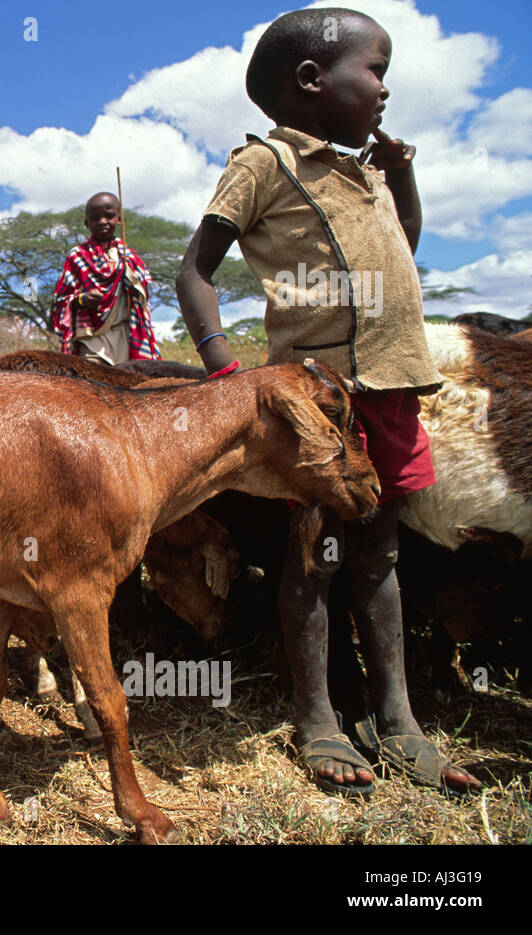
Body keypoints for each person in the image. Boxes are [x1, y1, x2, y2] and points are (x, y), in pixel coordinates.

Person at [175, 8, 479, 796]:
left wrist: (402, 173)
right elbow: (194, 271)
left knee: (378, 557)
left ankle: (397, 720)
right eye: (375, 70)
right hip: (321, 399)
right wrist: (223, 372)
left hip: (391, 389)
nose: (385, 87)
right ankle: (317, 718)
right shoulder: (263, 164)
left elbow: (403, 247)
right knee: (314, 557)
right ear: (311, 81)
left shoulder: (366, 171)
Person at [50, 192, 160, 364]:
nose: (102, 221)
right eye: (95, 218)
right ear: (87, 223)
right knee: (94, 387)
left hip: (127, 334)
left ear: (119, 219)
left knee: (129, 387)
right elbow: (60, 300)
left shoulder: (129, 257)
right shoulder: (78, 256)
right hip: (92, 338)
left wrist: (132, 281)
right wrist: (81, 299)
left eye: (109, 216)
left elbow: (144, 294)